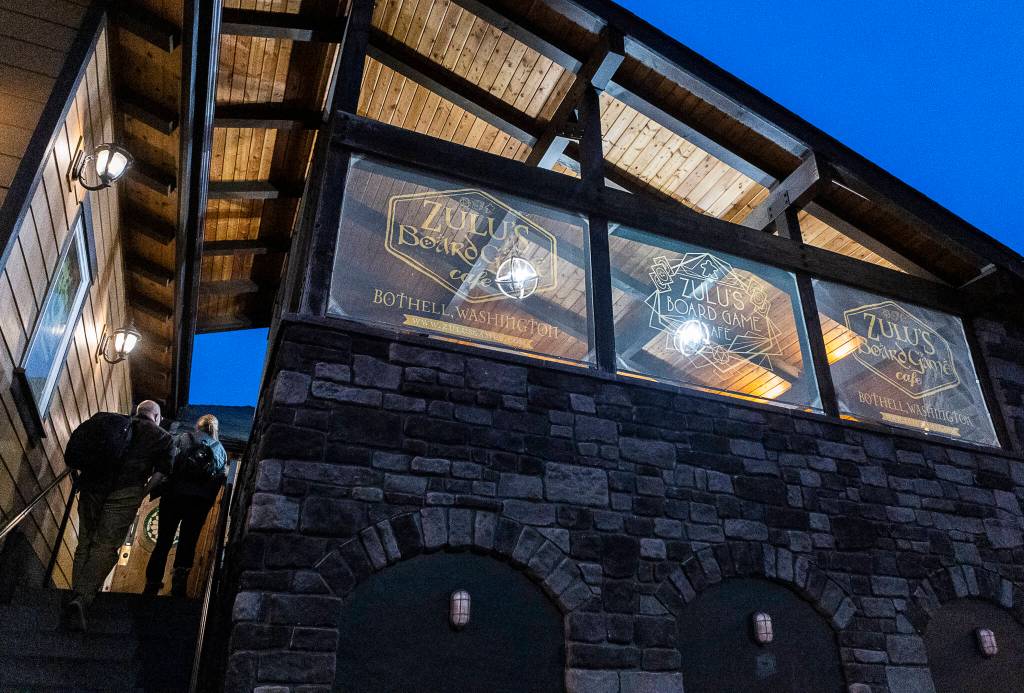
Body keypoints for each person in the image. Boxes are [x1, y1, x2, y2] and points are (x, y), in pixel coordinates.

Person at [64, 400, 174, 631]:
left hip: (92, 486)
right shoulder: (162, 437)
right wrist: (142, 492)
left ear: (137, 412)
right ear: (156, 417)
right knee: (106, 545)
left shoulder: (113, 422)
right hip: (126, 491)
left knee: (85, 541)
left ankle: (75, 594)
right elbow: (162, 473)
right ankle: (82, 598)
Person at [143, 414, 228, 598]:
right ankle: (178, 586)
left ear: (198, 426)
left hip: (173, 496)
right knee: (188, 543)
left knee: (163, 541)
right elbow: (219, 479)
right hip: (198, 503)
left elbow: (168, 462)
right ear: (215, 429)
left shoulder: (182, 438)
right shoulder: (220, 449)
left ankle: (152, 584)